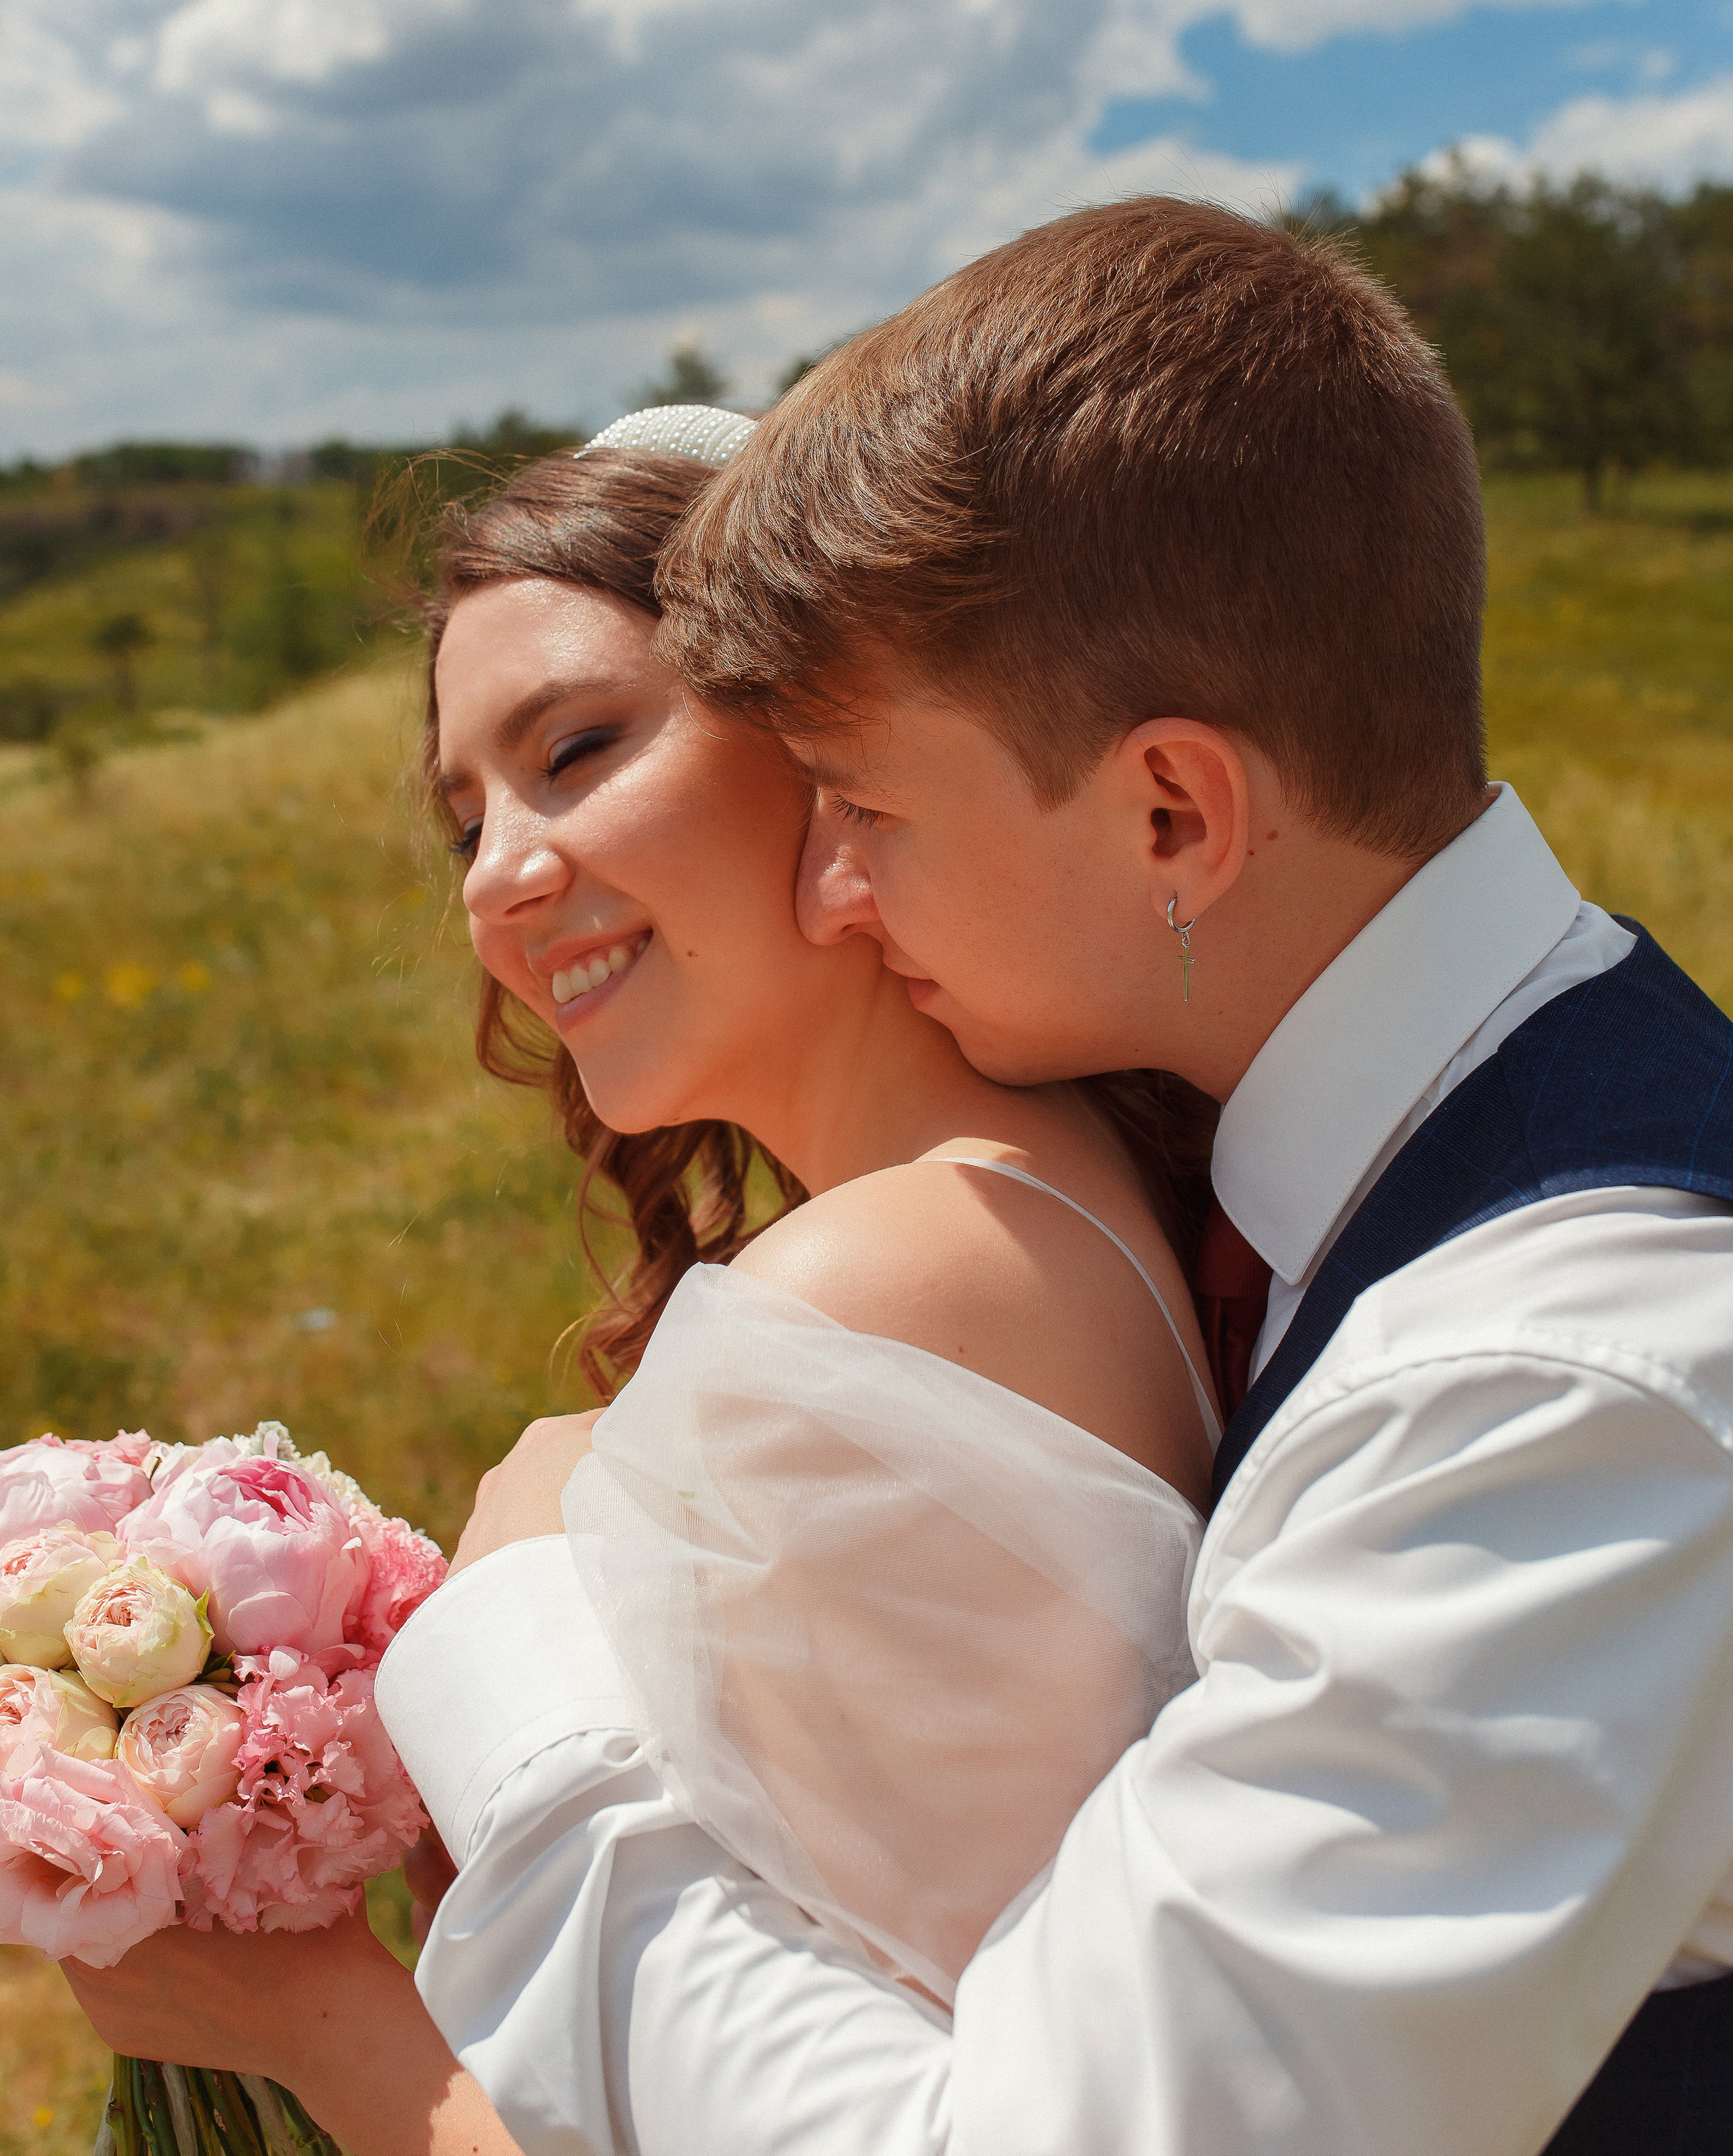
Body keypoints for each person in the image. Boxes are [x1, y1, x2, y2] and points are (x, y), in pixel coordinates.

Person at [380, 198, 1733, 2156]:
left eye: (867, 809)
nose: (831, 885)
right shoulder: (1374, 1183)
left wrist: (512, 1666)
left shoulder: (1549, 1389)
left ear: (1174, 812)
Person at [62, 410, 1225, 2144]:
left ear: (832, 739)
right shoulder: (1032, 1202)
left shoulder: (876, 1285)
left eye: (581, 747)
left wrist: (315, 2023)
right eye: (470, 816)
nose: (501, 878)